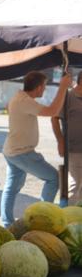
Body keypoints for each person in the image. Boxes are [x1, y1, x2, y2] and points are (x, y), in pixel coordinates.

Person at [1, 70, 71, 226]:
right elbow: (52, 111)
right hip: (21, 152)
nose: (45, 89)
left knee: (11, 188)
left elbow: (8, 107)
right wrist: (63, 87)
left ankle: (7, 223)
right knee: (53, 178)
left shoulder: (19, 98)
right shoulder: (24, 101)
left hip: (12, 150)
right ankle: (42, 217)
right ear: (39, 87)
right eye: (44, 86)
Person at [52, 72, 82, 205]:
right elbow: (54, 118)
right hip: (73, 148)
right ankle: (70, 219)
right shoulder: (68, 96)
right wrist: (60, 141)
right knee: (75, 184)